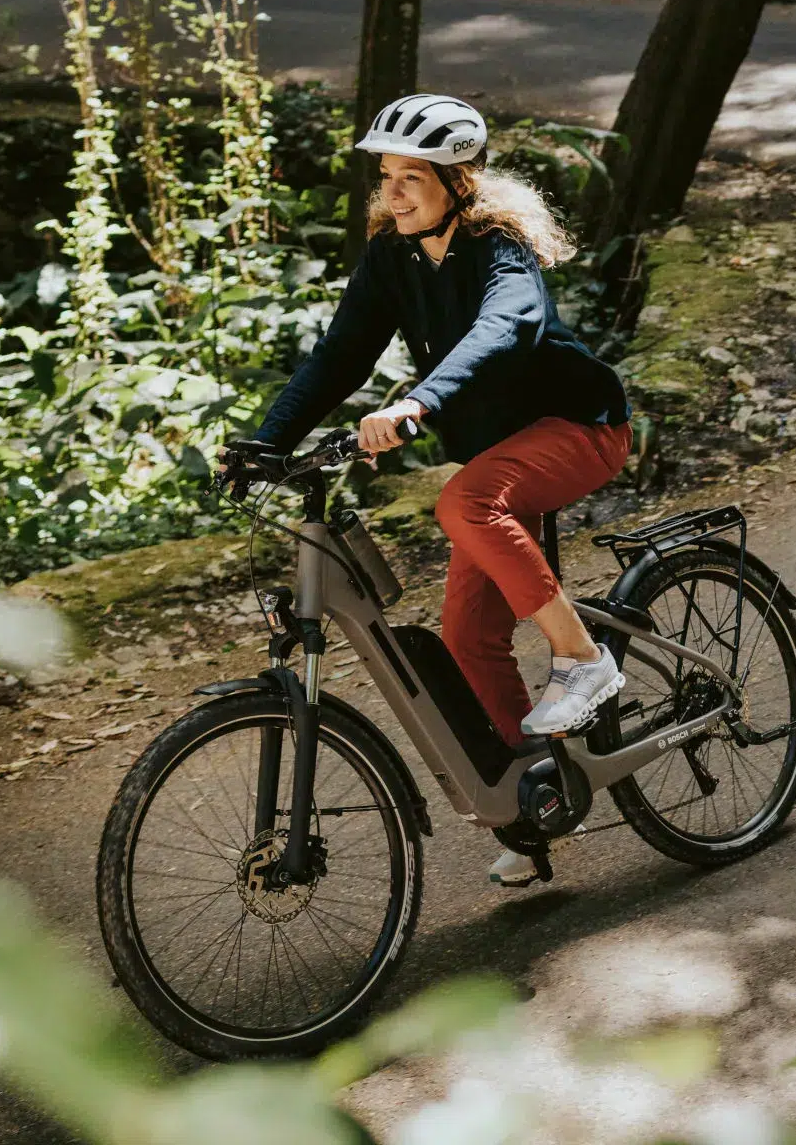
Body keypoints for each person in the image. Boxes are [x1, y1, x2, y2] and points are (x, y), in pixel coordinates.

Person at [242, 93, 633, 887]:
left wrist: (419, 401)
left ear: (460, 181)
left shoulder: (501, 248)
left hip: (580, 429)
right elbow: (340, 355)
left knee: (462, 503)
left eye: (411, 178)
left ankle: (582, 659)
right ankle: (534, 806)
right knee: (466, 640)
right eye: (386, 176)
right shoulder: (393, 257)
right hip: (499, 456)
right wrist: (263, 442)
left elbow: (504, 328)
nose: (392, 194)